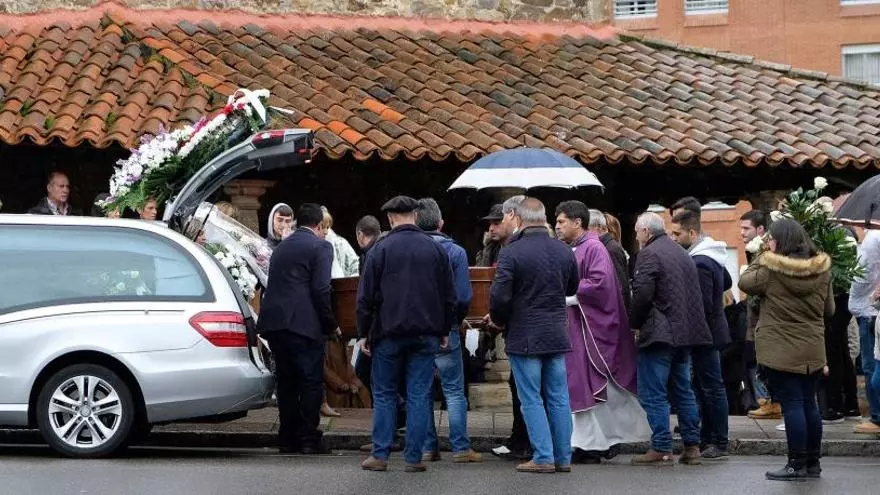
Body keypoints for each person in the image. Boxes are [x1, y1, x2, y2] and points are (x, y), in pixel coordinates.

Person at [358, 196, 456, 473]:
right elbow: (449, 295)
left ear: (390, 218)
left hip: (388, 332)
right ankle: (414, 457)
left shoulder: (380, 249)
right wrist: (444, 329)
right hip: (426, 333)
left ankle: (380, 454)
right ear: (415, 215)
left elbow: (365, 297)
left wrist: (363, 332)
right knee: (419, 394)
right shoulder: (435, 249)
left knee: (385, 393)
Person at [488, 195, 578, 474]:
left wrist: (498, 321)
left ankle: (543, 457)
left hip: (525, 334)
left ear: (516, 217)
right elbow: (571, 287)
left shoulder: (511, 252)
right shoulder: (564, 250)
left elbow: (499, 297)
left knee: (531, 398)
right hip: (556, 332)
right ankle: (563, 457)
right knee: (559, 397)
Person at [739, 218, 834, 481]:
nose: (768, 242)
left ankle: (796, 464)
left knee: (792, 405)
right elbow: (829, 310)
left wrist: (762, 256)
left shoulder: (771, 271)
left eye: (770, 238)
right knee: (809, 404)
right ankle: (813, 464)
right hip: (813, 348)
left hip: (782, 350)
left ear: (779, 242)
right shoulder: (822, 270)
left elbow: (744, 282)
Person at [555, 201, 649, 465]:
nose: (557, 226)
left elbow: (600, 283)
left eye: (561, 221)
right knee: (580, 385)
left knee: (588, 384)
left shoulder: (594, 247)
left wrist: (569, 294)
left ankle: (594, 444)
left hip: (589, 328)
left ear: (577, 223)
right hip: (577, 324)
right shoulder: (574, 247)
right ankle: (588, 442)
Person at [629, 212, 712, 466]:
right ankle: (692, 446)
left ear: (646, 231)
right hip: (684, 334)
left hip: (659, 334)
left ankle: (661, 446)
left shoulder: (649, 254)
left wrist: (634, 324)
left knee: (653, 393)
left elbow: (643, 294)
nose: (636, 236)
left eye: (637, 231)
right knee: (683, 391)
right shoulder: (682, 253)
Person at [258, 203, 337, 455]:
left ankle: (287, 436)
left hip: (276, 323)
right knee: (311, 380)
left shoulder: (281, 247)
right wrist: (331, 323)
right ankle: (308, 438)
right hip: (304, 324)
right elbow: (321, 289)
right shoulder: (321, 246)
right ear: (319, 225)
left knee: (287, 381)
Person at [415, 198, 481, 464]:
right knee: (453, 390)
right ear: (441, 223)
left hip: (416, 328)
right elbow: (463, 296)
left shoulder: (409, 250)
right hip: (447, 326)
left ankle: (427, 447)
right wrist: (456, 320)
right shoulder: (456, 252)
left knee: (421, 390)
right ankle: (461, 447)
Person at [670, 209, 731, 459]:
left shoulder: (700, 262)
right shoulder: (711, 256)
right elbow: (727, 281)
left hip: (705, 334)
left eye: (678, 234)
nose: (674, 238)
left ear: (692, 233)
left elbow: (701, 305)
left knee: (712, 388)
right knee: (706, 386)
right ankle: (707, 437)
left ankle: (719, 440)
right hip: (709, 332)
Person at [477, 204, 530, 461]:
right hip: (505, 324)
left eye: (497, 222)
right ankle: (519, 438)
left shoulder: (517, 251)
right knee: (518, 385)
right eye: (490, 223)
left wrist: (499, 317)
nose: (491, 228)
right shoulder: (491, 250)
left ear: (513, 220)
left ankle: (525, 442)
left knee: (525, 388)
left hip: (521, 327)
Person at [818, 226, 860, 424]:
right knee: (841, 353)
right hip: (845, 300)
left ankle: (834, 405)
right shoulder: (846, 234)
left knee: (834, 353)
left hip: (839, 299)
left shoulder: (841, 236)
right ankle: (849, 405)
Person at [741, 210, 778, 419]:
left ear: (761, 229)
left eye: (746, 228)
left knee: (759, 366)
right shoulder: (754, 252)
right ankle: (766, 402)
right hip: (753, 324)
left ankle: (768, 402)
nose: (742, 233)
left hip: (762, 326)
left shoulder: (765, 254)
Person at [851, 231, 880, 434]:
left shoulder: (873, 238)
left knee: (872, 366)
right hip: (873, 308)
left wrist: (857, 300)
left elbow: (862, 274)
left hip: (870, 312)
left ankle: (877, 416)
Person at [588, 209, 631, 313]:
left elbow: (620, 286)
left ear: (598, 227)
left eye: (586, 228)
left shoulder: (610, 249)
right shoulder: (602, 247)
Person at [322, 206, 360, 278]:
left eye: (327, 227)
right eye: (322, 226)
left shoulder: (341, 243)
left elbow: (354, 264)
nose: (325, 231)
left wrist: (349, 280)